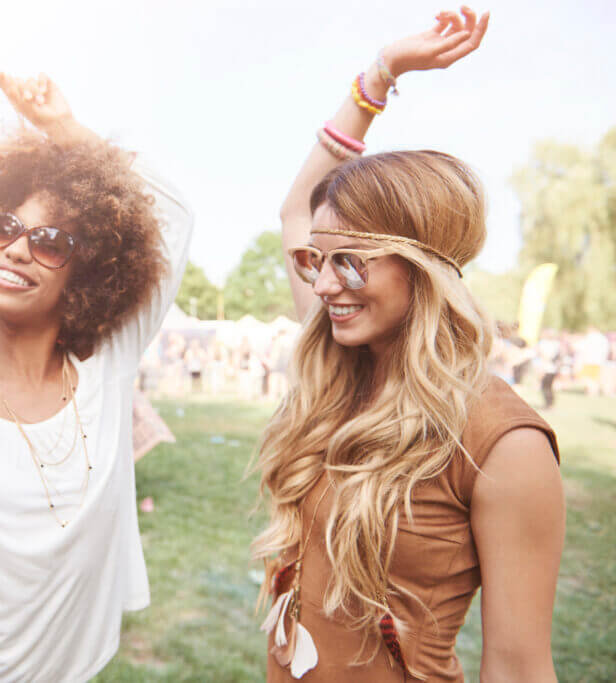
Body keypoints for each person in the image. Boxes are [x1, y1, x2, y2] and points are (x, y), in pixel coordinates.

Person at [252, 8, 564, 682]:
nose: (326, 283)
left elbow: (517, 665)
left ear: (419, 267)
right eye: (318, 260)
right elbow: (294, 213)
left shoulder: (504, 442)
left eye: (351, 261)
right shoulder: (342, 361)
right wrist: (378, 78)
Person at [0, 73, 192, 681]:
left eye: (50, 240)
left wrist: (63, 129)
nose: (17, 249)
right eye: (3, 227)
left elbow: (174, 213)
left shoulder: (108, 367)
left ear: (91, 271)